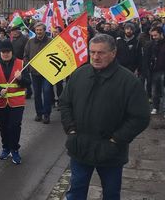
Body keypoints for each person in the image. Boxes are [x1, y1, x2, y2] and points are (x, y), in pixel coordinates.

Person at [59, 34, 150, 199]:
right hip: (80, 148)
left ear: (113, 53)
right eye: (92, 52)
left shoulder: (128, 81)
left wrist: (116, 140)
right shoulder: (79, 75)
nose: (95, 57)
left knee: (111, 193)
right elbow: (65, 103)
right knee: (75, 192)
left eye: (101, 53)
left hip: (111, 152)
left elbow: (140, 117)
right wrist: (71, 131)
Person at [0, 40, 30, 164]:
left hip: (16, 102)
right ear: (0, 52)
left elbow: (28, 83)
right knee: (3, 126)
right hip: (0, 101)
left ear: (12, 52)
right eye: (3, 52)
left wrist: (21, 78)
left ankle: (15, 149)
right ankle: (6, 148)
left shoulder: (21, 64)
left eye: (8, 52)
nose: (5, 54)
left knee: (15, 126)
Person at [24, 23, 52, 123]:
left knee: (47, 92)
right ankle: (39, 113)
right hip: (35, 73)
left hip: (47, 73)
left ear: (44, 30)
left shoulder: (50, 41)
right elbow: (26, 55)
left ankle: (46, 114)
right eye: (37, 30)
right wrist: (28, 66)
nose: (38, 32)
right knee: (37, 94)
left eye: (40, 30)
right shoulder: (30, 42)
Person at [147, 27, 165, 115]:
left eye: (155, 35)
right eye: (152, 35)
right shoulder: (152, 44)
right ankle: (155, 107)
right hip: (154, 70)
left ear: (161, 34)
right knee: (154, 91)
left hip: (163, 70)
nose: (154, 37)